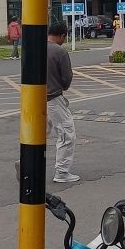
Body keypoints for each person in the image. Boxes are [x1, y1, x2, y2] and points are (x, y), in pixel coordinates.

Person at [47, 20, 79, 184]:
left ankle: (27, 164)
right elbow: (66, 78)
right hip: (53, 98)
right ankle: (62, 172)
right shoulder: (59, 52)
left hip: (34, 100)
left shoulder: (35, 48)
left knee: (36, 136)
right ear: (62, 36)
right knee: (67, 134)